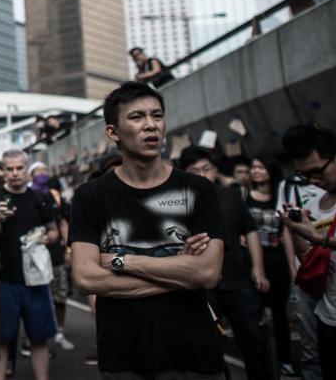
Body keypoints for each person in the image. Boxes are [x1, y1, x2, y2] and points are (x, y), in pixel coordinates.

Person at [69, 81, 225, 378]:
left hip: (193, 354)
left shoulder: (197, 189)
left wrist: (121, 261)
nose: (151, 125)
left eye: (157, 115)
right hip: (124, 355)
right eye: (137, 117)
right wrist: (181, 273)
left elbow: (207, 273)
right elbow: (86, 277)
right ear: (113, 132)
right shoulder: (90, 196)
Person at [179, 147, 271, 380]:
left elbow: (250, 231)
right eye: (194, 170)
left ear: (215, 170)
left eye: (206, 169)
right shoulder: (178, 204)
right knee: (209, 348)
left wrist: (258, 269)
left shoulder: (230, 195)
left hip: (238, 280)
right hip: (203, 286)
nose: (201, 174)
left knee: (255, 342)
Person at [0, 150, 57, 380]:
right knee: (0, 339)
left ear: (26, 168)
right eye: (9, 169)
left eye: (19, 168)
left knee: (39, 338)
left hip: (36, 280)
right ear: (3, 171)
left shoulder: (40, 198)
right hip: (4, 281)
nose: (14, 173)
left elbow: (54, 232)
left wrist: (44, 238)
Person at [279, 126, 336, 380]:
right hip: (330, 316)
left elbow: (321, 242)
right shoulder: (312, 205)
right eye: (305, 175)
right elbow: (307, 257)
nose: (314, 180)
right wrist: (297, 230)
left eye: (318, 171)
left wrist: (321, 238)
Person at [244, 155, 297, 377]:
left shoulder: (281, 196)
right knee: (257, 315)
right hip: (253, 262)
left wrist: (292, 266)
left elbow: (287, 232)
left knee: (279, 315)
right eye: (253, 167)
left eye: (260, 167)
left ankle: (285, 359)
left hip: (277, 262)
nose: (255, 171)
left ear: (270, 170)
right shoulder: (244, 196)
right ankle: (264, 361)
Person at [28, 163, 74, 351]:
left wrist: (69, 249)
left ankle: (59, 331)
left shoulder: (55, 195)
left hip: (55, 254)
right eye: (38, 171)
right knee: (34, 298)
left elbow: (63, 223)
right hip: (33, 257)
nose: (42, 174)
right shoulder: (26, 195)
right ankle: (33, 335)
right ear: (30, 175)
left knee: (60, 295)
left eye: (45, 171)